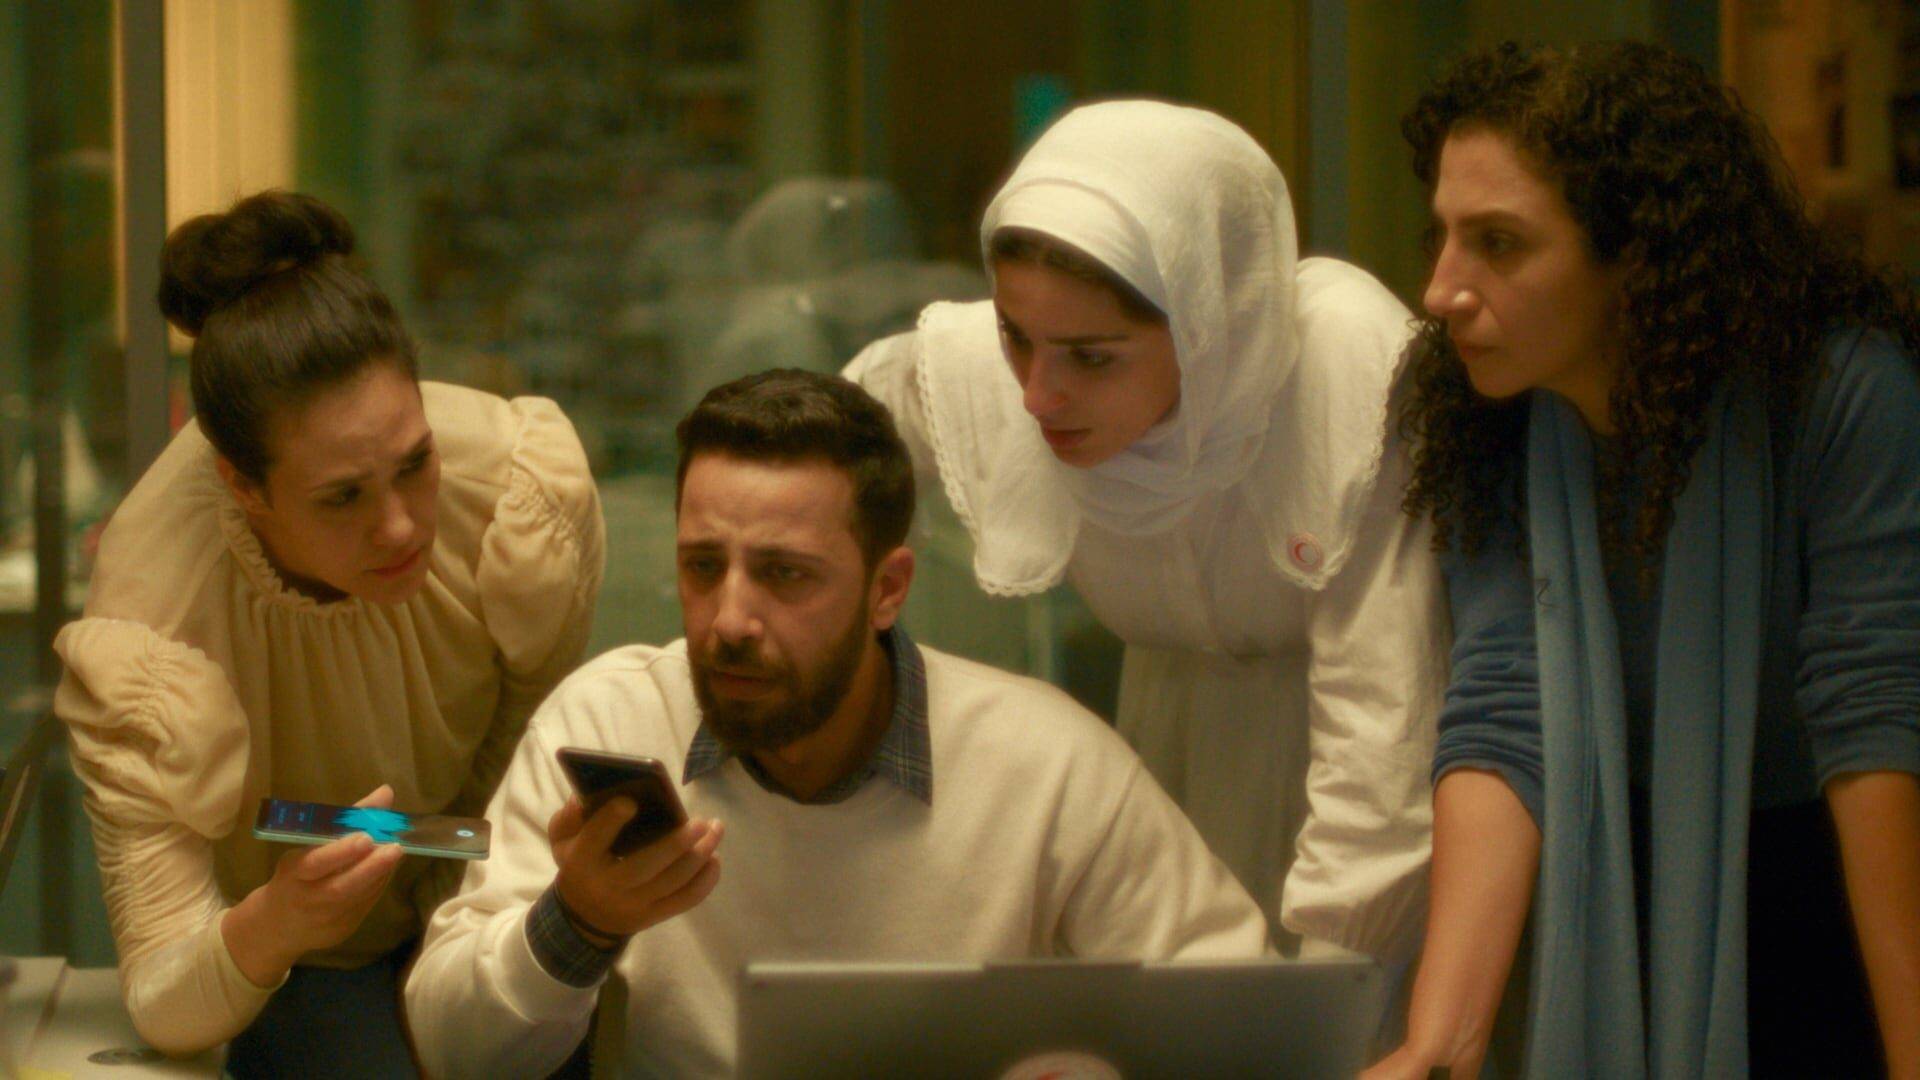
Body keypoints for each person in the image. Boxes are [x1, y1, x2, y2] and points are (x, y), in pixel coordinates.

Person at [403, 370, 1270, 1078]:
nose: (728, 619)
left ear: (887, 589)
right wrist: (577, 923)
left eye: (784, 575)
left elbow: (1244, 1021)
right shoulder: (614, 720)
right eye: (702, 566)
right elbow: (453, 1052)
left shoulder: (1046, 763)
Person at [1366, 41, 1920, 1079]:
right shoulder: (1471, 408)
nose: (1441, 291)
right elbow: (1503, 702)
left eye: (1498, 244)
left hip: (1832, 884)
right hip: (1604, 878)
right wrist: (1440, 1042)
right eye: (1442, 235)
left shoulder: (1841, 390)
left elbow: (1875, 714)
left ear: (1638, 256)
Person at [845, 100, 1445, 962]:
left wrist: (1324, 998)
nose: (1036, 395)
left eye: (1093, 357)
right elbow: (822, 443)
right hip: (1155, 768)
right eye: (1015, 336)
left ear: (1206, 325)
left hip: (1344, 799)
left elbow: (1383, 740)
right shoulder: (1005, 364)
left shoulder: (1344, 374)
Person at [52, 191, 605, 1072]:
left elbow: (522, 744)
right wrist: (278, 922)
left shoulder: (510, 488)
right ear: (243, 486)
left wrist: (460, 900)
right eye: (342, 497)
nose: (401, 527)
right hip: (302, 957)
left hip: (485, 897)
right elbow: (163, 993)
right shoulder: (153, 615)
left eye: (415, 464)